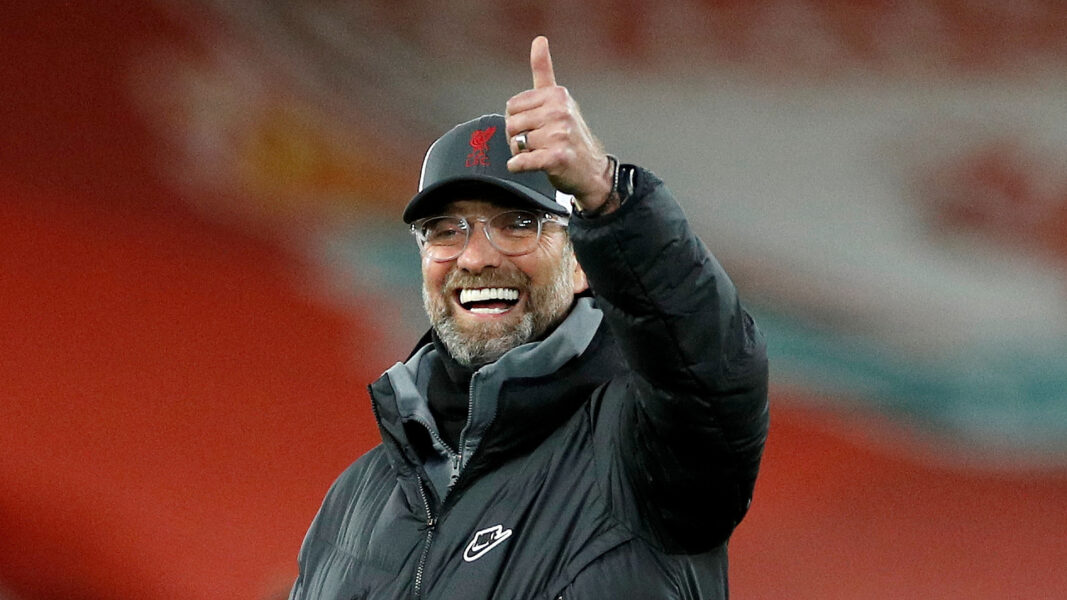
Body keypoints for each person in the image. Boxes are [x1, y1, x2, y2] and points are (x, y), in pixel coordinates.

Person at [289, 36, 769, 600]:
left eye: (518, 223)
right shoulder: (352, 503)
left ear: (582, 261)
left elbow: (713, 377)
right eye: (445, 230)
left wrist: (605, 194)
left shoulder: (643, 447)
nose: (475, 257)